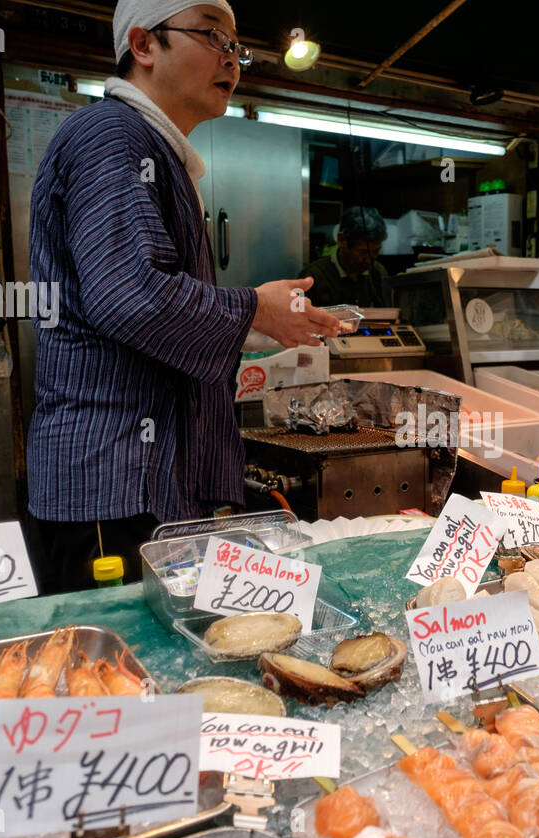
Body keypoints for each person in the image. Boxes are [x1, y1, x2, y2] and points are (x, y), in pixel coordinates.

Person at [26, 0, 340, 590]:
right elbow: (129, 296)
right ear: (143, 45)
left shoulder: (157, 152)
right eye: (212, 36)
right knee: (119, 668)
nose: (233, 59)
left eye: (237, 46)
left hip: (147, 479)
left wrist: (261, 321)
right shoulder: (109, 135)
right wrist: (255, 308)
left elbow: (150, 300)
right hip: (111, 482)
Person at [299, 205, 391, 307]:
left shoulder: (378, 272)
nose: (369, 260)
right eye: (363, 252)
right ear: (342, 240)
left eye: (376, 251)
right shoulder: (313, 277)